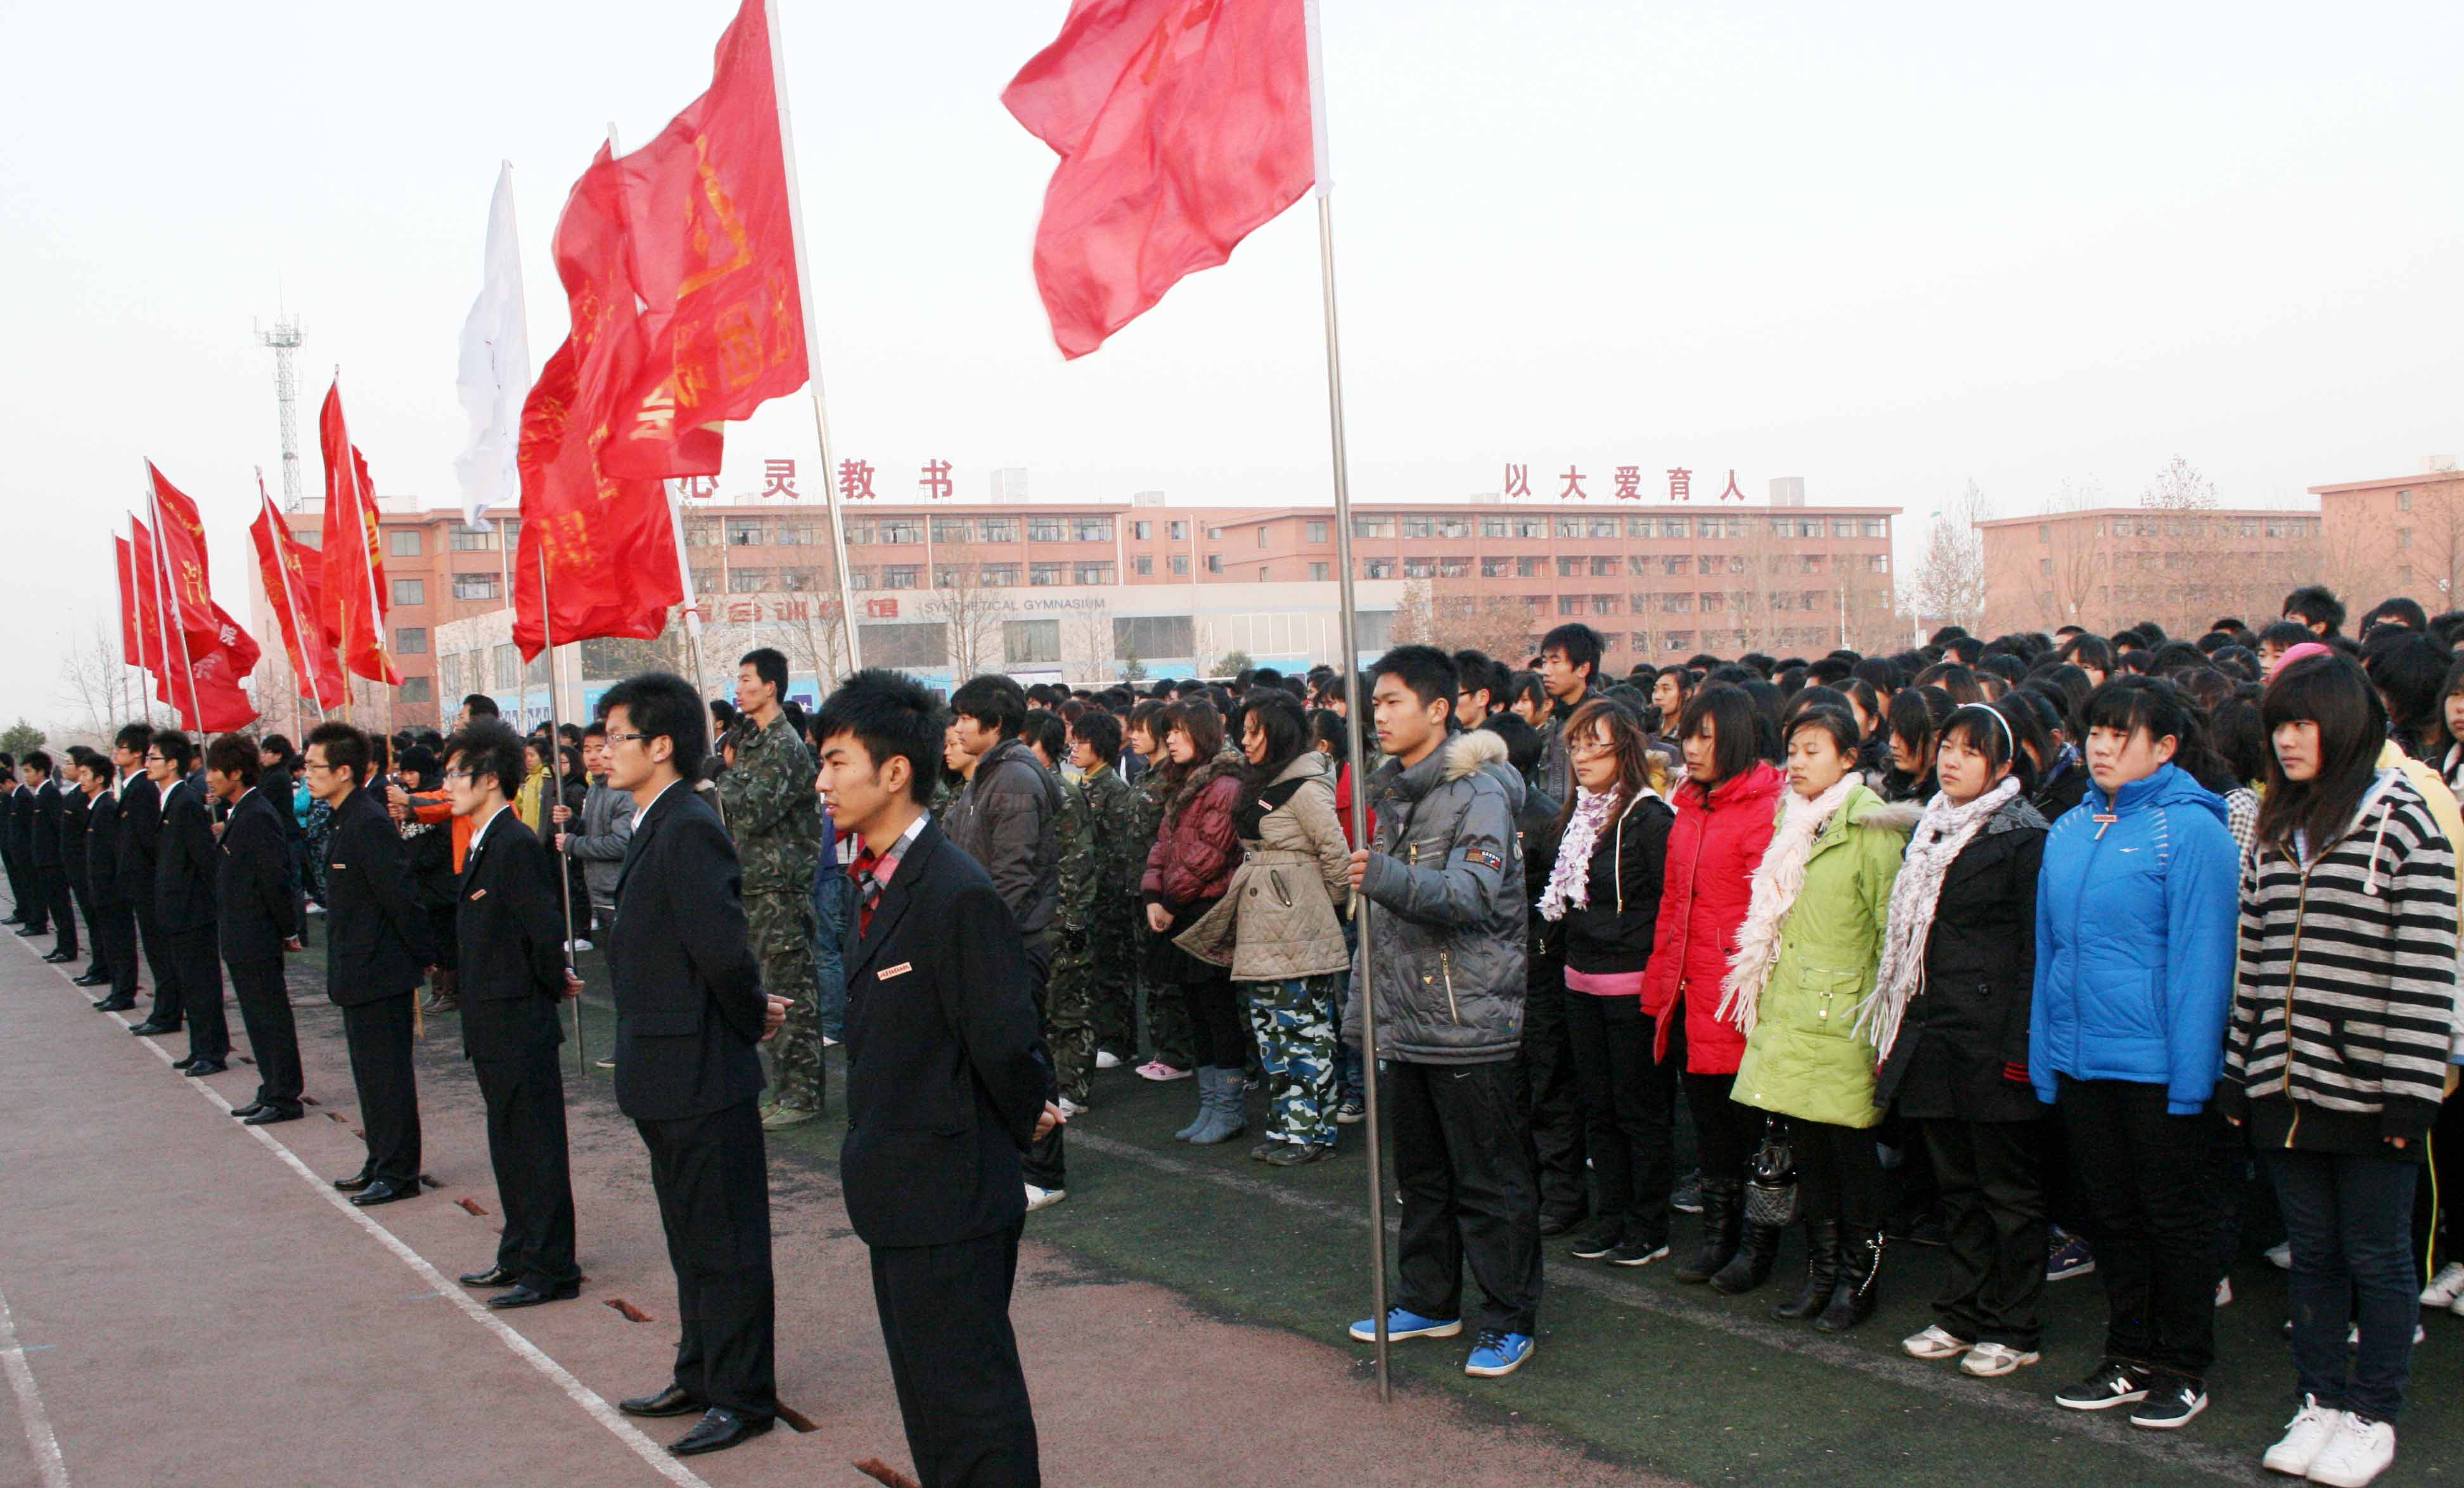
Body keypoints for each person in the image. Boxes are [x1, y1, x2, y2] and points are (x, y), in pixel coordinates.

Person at [2222, 652, 2458, 1486]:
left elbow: (2428, 973)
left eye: (2302, 723)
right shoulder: (2277, 828)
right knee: (2314, 1257)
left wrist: (2410, 1093)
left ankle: (2373, 1415)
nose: (2285, 740)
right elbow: (2252, 960)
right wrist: (2238, 1067)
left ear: (2346, 724)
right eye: (2277, 725)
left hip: (2371, 1094)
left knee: (2379, 1258)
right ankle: (2320, 1400)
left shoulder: (2406, 826)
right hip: (2284, 1085)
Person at [816, 669, 1056, 1487]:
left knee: (973, 1406)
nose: (823, 782)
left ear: (895, 772)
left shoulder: (955, 893)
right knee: (929, 1402)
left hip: (952, 1194)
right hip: (897, 1190)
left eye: (837, 762)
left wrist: (1029, 1119)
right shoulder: (870, 884)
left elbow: (1006, 1040)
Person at [2031, 677, 2239, 1429]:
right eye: (2096, 731)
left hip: (2158, 1068)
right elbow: (2050, 952)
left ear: (2166, 746)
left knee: (2172, 1219)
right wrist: (2047, 1056)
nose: (2103, 746)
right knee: (2112, 1217)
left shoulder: (2193, 831)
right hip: (2085, 1058)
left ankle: (2182, 1366)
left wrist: (2191, 1079)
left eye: (2123, 734)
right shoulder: (2069, 827)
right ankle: (2128, 1353)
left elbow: (2203, 965)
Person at [600, 672, 788, 1458]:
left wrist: (752, 1020)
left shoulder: (689, 824)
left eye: (617, 737)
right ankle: (701, 1369)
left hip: (702, 1070)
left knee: (727, 1239)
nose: (604, 750)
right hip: (662, 1069)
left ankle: (744, 1395)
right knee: (690, 1233)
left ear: (662, 744)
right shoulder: (655, 820)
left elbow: (722, 950)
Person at [1342, 645, 1540, 1380]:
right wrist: (1366, 1019)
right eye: (1377, 702)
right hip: (1409, 1019)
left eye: (1393, 701)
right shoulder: (1396, 792)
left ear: (1439, 709)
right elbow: (1383, 928)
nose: (1380, 715)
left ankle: (1509, 1316)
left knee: (1489, 1181)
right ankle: (1430, 1297)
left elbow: (1469, 897)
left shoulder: (1479, 792)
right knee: (1421, 1177)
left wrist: (1386, 875)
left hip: (1468, 1020)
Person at [1867, 703, 2051, 1378]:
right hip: (1933, 1032)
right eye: (1947, 746)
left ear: (2003, 765)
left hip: (1994, 1034)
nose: (1951, 760)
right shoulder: (1932, 829)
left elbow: (2037, 947)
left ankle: (2015, 1322)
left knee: (2008, 1189)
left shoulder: (2024, 836)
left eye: (1971, 751)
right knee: (1958, 1186)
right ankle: (1962, 1309)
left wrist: (2022, 1042)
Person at [1720, 707, 1915, 1332]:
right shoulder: (1792, 820)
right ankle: (1822, 1272)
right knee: (1810, 1151)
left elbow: (1892, 933)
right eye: (1793, 750)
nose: (1797, 762)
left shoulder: (1873, 828)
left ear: (1848, 758)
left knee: (1850, 1154)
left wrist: (1887, 1023)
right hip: (1793, 1009)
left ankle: (1857, 1279)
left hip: (1846, 1015)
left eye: (1813, 750)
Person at [1639, 686, 1787, 1296]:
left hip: (1739, 989)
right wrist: (1659, 984)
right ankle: (1721, 1237)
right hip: (1689, 985)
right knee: (1710, 1125)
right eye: (1688, 736)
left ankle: (1759, 1246)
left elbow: (1773, 911)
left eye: (1704, 737)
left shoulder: (1769, 806)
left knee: (1754, 1130)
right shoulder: (1689, 803)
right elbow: (1674, 902)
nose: (1690, 748)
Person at [443, 719, 585, 1311]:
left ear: (492, 780)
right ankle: (519, 1249)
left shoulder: (516, 844)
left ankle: (550, 1266)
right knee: (508, 1143)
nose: (447, 784)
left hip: (518, 1023)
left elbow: (543, 931)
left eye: (457, 775)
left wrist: (555, 982)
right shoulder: (483, 840)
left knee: (536, 1147)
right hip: (491, 1025)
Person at [1178, 689, 1352, 1165]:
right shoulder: (1266, 781)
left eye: (1255, 730)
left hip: (1295, 924)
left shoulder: (1306, 785)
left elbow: (1337, 859)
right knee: (1272, 1030)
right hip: (1266, 922)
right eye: (1244, 729)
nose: (1246, 739)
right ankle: (1287, 1126)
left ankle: (1312, 1133)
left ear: (1279, 733)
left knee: (1305, 1031)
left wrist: (1317, 909)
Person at [1539, 698, 1679, 1269]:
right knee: (1598, 1107)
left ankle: (1649, 1224)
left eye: (1596, 743)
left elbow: (1669, 906)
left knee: (1640, 1110)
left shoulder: (1650, 818)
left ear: (1624, 749)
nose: (1583, 754)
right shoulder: (1579, 814)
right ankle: (1613, 1216)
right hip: (1580, 981)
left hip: (1633, 985)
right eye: (1575, 744)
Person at [943, 674, 1068, 1204]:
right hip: (997, 936)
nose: (956, 727)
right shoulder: (987, 777)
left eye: (965, 718)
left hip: (1018, 938)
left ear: (993, 725)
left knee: (1024, 1053)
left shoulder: (1015, 778)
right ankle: (1014, 1163)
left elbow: (1013, 877)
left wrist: (985, 941)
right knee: (1000, 1052)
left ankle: (1043, 1174)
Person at [305, 721, 441, 1209]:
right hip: (356, 969)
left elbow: (401, 897)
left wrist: (425, 957)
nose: (307, 775)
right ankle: (380, 1157)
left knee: (388, 1075)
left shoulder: (367, 821)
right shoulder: (346, 817)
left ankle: (400, 1170)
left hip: (380, 970)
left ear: (345, 771)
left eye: (315, 767)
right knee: (369, 1074)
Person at [715, 648, 825, 1132]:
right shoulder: (751, 740)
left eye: (747, 679)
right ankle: (783, 1089)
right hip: (753, 883)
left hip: (780, 886)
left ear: (771, 687)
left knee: (789, 990)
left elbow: (756, 810)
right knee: (767, 991)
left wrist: (722, 774)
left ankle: (802, 1093)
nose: (738, 688)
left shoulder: (783, 745)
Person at [1141, 701, 1249, 1146]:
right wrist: (1152, 895)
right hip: (1181, 911)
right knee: (1198, 1015)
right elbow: (1163, 848)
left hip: (1207, 912)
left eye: (1179, 732)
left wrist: (1167, 899)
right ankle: (1210, 1106)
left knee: (1218, 1012)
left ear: (1202, 734)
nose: (1170, 739)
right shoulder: (1182, 783)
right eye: (1168, 732)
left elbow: (1209, 854)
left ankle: (1229, 1109)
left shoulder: (1224, 785)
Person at [205, 734, 305, 1126]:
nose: (210, 778)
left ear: (236, 773)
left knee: (270, 1017)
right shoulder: (240, 813)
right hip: (239, 933)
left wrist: (287, 929)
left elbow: (274, 880)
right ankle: (270, 1087)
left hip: (256, 934)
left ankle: (285, 1094)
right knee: (256, 1017)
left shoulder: (257, 814)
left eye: (216, 771)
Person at [1046, 709, 1139, 1112]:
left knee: (1112, 969)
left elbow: (1116, 847)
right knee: (1096, 967)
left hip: (1109, 891)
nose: (1076, 748)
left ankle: (1119, 1040)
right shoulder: (1079, 783)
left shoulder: (1112, 789)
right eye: (1074, 740)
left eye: (1083, 741)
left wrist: (1106, 887)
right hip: (1090, 891)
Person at [149, 732, 228, 1075]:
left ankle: (211, 1051)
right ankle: (200, 1048)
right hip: (176, 910)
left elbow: (205, 860)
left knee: (202, 984)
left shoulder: (186, 802)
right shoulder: (168, 800)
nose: (148, 764)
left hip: (193, 912)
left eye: (154, 758)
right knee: (189, 982)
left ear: (172, 764)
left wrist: (212, 906)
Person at [556, 722, 634, 949]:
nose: (592, 757)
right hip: (600, 890)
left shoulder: (621, 789)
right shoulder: (594, 788)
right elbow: (593, 829)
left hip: (617, 890)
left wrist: (573, 844)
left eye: (599, 749)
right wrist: (572, 821)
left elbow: (621, 843)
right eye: (587, 750)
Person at [1536, 622, 1607, 804]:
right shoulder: (1550, 717)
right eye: (1545, 662)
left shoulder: (1605, 718)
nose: (1546, 671)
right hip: (1554, 823)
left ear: (1583, 669)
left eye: (1555, 662)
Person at [65, 751, 113, 990]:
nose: (80, 777)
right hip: (86, 872)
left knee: (105, 930)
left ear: (100, 778)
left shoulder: (104, 807)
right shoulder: (90, 802)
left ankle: (108, 973)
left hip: (98, 877)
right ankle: (100, 967)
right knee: (96, 926)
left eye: (85, 773)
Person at [24, 753, 78, 965]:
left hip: (53, 862)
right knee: (55, 907)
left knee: (61, 906)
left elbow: (58, 828)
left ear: (41, 772)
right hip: (44, 861)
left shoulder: (50, 794)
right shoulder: (41, 794)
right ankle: (62, 945)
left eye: (29, 771)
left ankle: (68, 947)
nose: (26, 775)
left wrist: (58, 858)